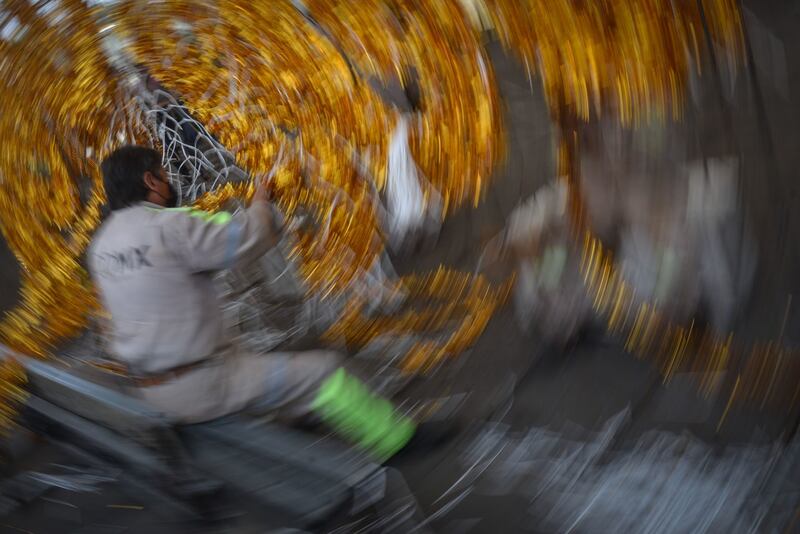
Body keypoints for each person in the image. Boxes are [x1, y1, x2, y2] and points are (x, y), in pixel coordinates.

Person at [89, 145, 416, 461]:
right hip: (206, 386)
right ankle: (396, 440)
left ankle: (303, 416)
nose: (169, 181)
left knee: (265, 364)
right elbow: (242, 239)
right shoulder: (168, 225)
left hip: (151, 390)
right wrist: (261, 202)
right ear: (150, 181)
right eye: (163, 174)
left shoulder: (101, 245)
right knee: (324, 372)